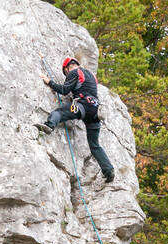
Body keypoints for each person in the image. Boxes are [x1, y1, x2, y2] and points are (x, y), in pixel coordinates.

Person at [37, 56, 115, 184]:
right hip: (95, 111)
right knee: (94, 145)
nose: (67, 74)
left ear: (68, 68)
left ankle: (49, 125)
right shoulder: (90, 74)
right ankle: (109, 170)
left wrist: (49, 81)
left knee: (60, 112)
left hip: (83, 106)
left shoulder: (74, 72)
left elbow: (64, 90)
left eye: (66, 72)